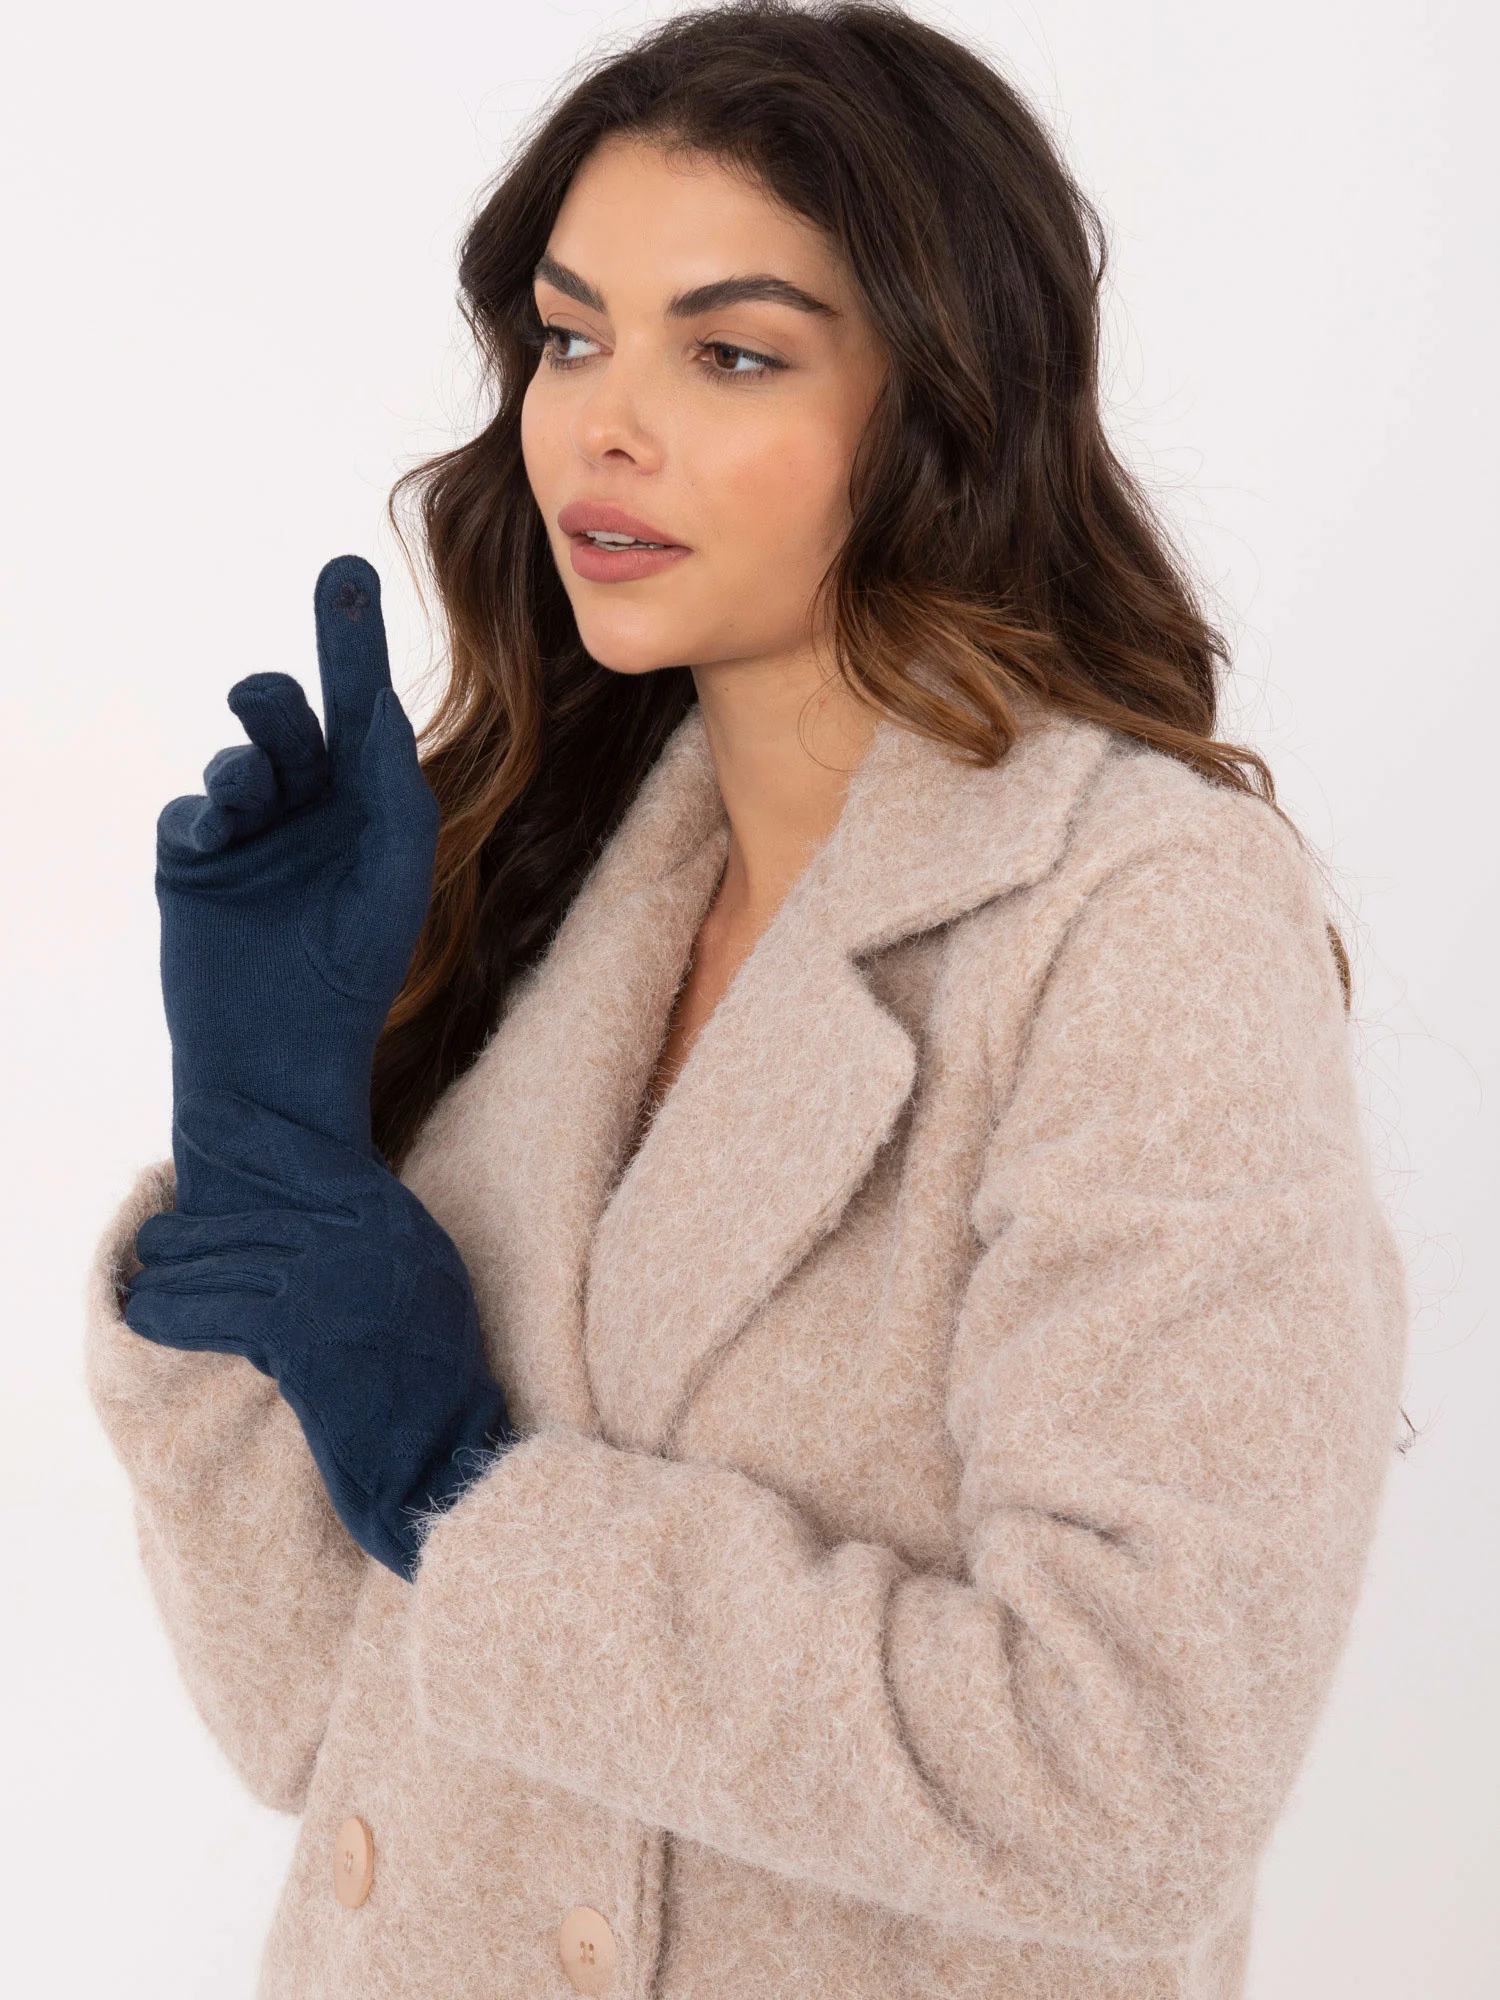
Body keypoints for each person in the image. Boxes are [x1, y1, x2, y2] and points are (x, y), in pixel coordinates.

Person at [84, 4, 1410, 1996]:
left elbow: (1136, 1774)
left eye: (731, 353)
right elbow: (314, 1727)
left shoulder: (1138, 920)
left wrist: (473, 1485)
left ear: (943, 408)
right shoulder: (554, 872)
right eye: (571, 337)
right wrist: (261, 1155)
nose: (601, 426)